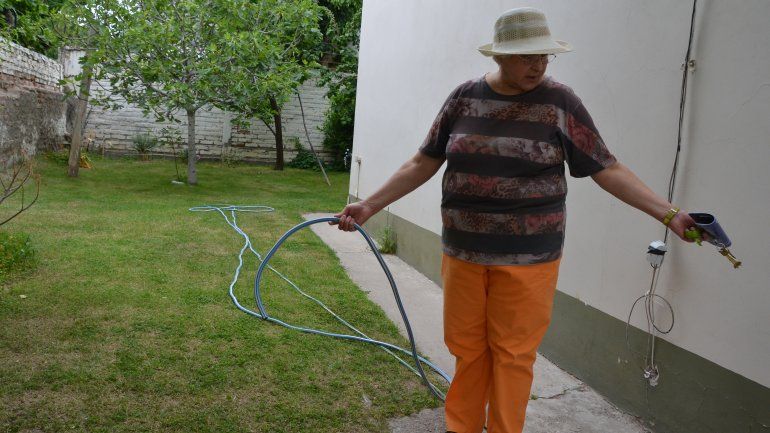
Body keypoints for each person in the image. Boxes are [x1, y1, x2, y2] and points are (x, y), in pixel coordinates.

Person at [332, 7, 697, 433]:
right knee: (468, 350)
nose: (538, 65)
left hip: (529, 260)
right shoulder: (463, 97)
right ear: (500, 56)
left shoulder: (560, 102)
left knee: (513, 356)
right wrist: (370, 204)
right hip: (464, 251)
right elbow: (423, 161)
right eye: (527, 57)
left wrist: (668, 213)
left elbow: (606, 168)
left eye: (544, 56)